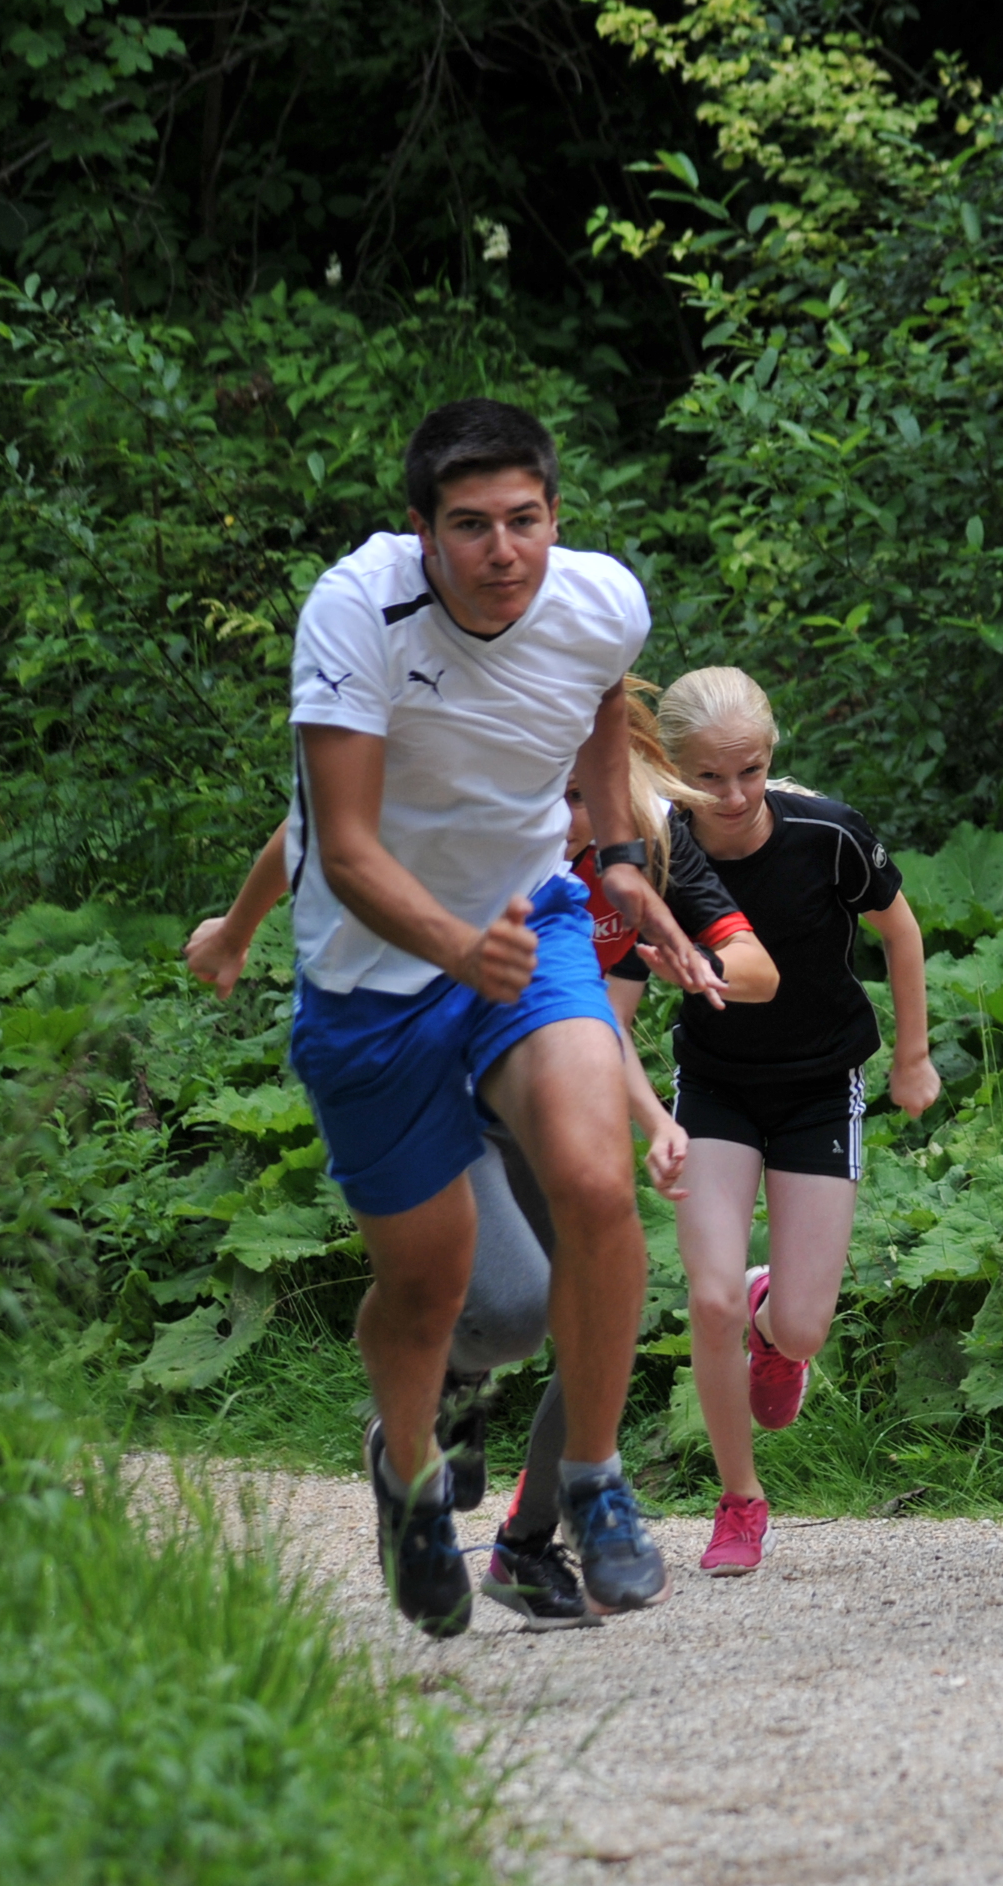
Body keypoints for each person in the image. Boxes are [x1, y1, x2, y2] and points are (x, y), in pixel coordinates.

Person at [186, 680, 777, 1622]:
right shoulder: (471, 808)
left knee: (600, 1307)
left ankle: (529, 1545)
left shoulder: (643, 848)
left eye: (589, 796)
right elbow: (309, 830)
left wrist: (689, 985)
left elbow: (739, 975)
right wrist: (235, 931)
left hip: (551, 1084)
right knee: (510, 1314)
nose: (573, 819)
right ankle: (441, 1396)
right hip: (447, 1082)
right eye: (560, 795)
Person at [278, 396, 725, 1636]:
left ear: (555, 517)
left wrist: (619, 853)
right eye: (469, 526)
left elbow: (597, 706)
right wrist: (451, 949)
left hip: (531, 928)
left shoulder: (601, 602)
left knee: (593, 1181)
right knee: (432, 1291)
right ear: (421, 530)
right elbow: (344, 849)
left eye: (524, 520)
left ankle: (592, 1482)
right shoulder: (355, 613)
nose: (501, 551)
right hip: (372, 979)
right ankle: (411, 1476)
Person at [652, 665, 938, 1579]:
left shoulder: (828, 834)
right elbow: (613, 971)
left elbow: (901, 932)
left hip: (820, 1085)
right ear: (670, 769)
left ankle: (776, 1322)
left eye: (751, 770)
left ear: (772, 755)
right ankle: (740, 1501)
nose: (734, 796)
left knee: (806, 1329)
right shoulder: (656, 852)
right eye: (709, 777)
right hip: (716, 1086)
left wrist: (912, 1056)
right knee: (708, 1301)